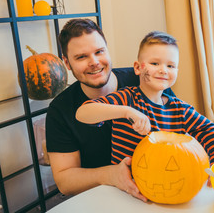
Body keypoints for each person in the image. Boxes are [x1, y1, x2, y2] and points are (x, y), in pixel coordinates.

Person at [45, 19, 174, 201]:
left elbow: (180, 130)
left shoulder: (147, 78)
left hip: (162, 188)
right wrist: (111, 175)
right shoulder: (60, 110)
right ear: (66, 63)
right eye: (81, 57)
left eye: (99, 52)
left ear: (107, 49)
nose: (94, 62)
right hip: (102, 200)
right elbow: (64, 181)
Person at [76, 31, 214, 170]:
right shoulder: (126, 98)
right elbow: (83, 113)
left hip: (167, 181)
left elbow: (208, 129)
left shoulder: (180, 109)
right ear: (137, 68)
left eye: (170, 65)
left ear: (176, 71)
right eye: (155, 63)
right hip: (125, 187)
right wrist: (127, 112)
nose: (163, 70)